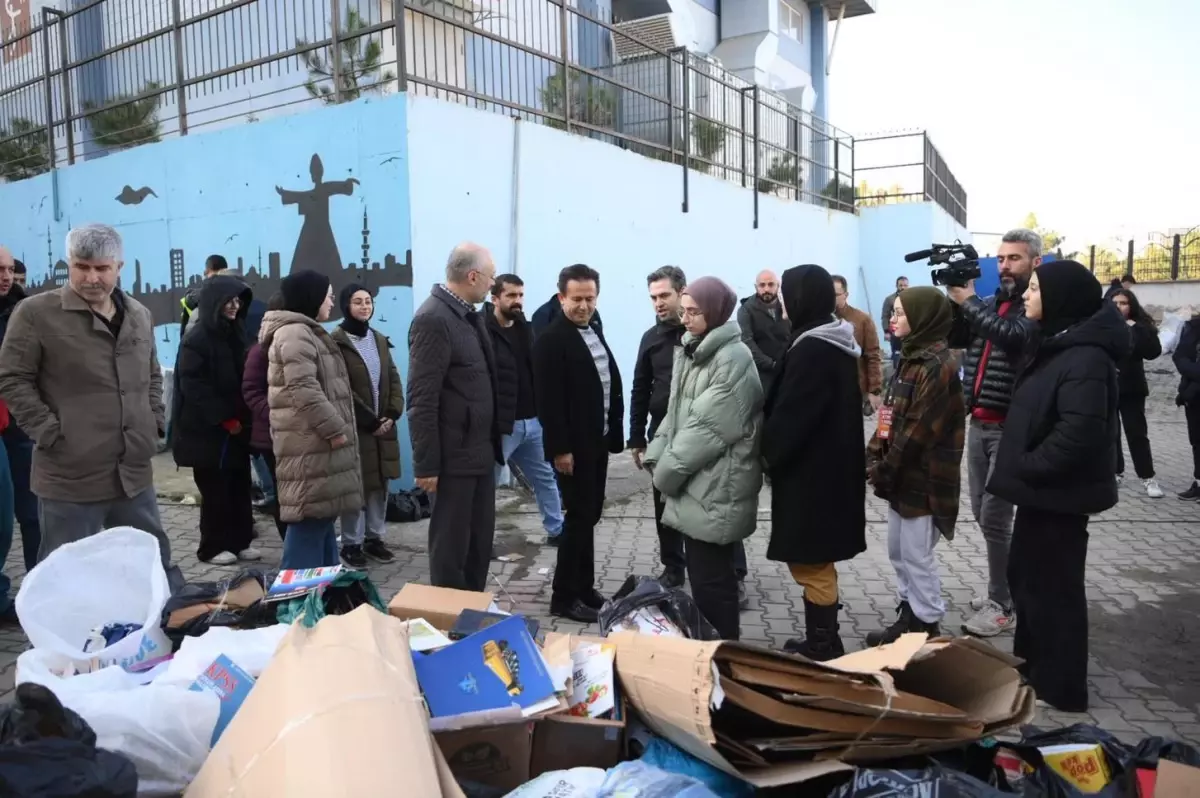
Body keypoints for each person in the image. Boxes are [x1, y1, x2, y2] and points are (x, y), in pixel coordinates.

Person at [987, 260, 1127, 713]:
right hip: (1041, 495)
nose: (1026, 296)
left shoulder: (1085, 355)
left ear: (1060, 298)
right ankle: (1033, 669)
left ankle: (1062, 686)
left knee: (1055, 591)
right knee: (1028, 581)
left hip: (1058, 496)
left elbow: (1079, 433)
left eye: (1034, 289)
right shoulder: (1059, 343)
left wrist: (1028, 465)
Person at [0, 224, 177, 577]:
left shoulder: (139, 315)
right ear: (69, 264)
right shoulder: (36, 313)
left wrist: (153, 419)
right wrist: (50, 432)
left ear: (119, 267)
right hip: (70, 474)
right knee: (66, 574)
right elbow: (12, 377)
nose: (91, 278)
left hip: (133, 471)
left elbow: (153, 374)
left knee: (151, 563)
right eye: (82, 267)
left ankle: (162, 628)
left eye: (101, 268)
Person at [644, 277, 762, 640]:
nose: (686, 318)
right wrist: (655, 452)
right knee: (706, 578)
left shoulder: (731, 358)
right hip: (701, 484)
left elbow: (704, 430)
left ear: (715, 312)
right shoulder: (696, 348)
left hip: (716, 485)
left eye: (694, 312)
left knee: (713, 583)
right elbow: (676, 412)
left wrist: (664, 475)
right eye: (685, 311)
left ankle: (723, 655)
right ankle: (713, 651)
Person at [762, 264, 866, 661]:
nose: (783, 301)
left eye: (788, 293)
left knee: (812, 562)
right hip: (826, 472)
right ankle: (820, 639)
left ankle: (824, 645)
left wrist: (768, 452)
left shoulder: (814, 348)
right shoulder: (827, 339)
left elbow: (794, 415)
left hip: (814, 477)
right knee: (813, 560)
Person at [945, 228, 1041, 638]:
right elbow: (957, 339)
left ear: (1034, 262)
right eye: (1000, 259)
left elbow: (1014, 339)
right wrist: (957, 303)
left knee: (996, 518)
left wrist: (969, 303)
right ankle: (1003, 589)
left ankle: (1003, 605)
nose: (1004, 266)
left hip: (1009, 428)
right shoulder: (990, 305)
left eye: (1014, 259)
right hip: (978, 424)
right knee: (983, 513)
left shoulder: (1033, 310)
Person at [865, 287, 965, 645]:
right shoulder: (909, 358)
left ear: (923, 319)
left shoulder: (938, 367)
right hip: (900, 477)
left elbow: (917, 432)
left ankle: (926, 625)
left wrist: (882, 468)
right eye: (892, 312)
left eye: (900, 314)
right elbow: (888, 417)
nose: (892, 320)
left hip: (924, 481)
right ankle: (909, 613)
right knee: (898, 551)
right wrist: (873, 454)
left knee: (917, 555)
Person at [408, 243, 502, 591]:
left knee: (478, 546)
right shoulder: (433, 318)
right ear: (473, 275)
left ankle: (471, 616)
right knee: (451, 550)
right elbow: (421, 398)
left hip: (478, 452)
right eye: (491, 277)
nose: (493, 285)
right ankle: (447, 625)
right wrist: (426, 465)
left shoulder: (467, 315)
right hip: (452, 459)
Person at [534, 264, 624, 624]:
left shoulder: (592, 329)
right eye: (576, 299)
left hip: (596, 442)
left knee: (589, 517)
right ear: (561, 298)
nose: (584, 306)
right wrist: (560, 449)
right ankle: (564, 597)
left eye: (590, 298)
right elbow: (550, 401)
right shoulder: (552, 340)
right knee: (577, 521)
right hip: (573, 449)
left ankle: (584, 588)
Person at [261, 270, 362, 569]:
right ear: (311, 298)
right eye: (327, 294)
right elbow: (302, 388)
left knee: (322, 523)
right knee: (308, 526)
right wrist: (335, 429)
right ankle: (294, 604)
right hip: (310, 448)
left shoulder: (307, 331)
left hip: (318, 448)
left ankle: (325, 598)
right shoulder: (294, 333)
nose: (331, 300)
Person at [172, 274, 261, 564]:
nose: (235, 306)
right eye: (229, 301)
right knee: (215, 492)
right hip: (207, 433)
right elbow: (193, 387)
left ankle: (240, 541)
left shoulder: (236, 333)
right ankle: (211, 547)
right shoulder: (196, 339)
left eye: (238, 301)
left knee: (239, 485)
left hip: (237, 430)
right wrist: (224, 418)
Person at [484, 274, 564, 544]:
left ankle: (557, 531)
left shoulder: (525, 328)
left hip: (533, 422)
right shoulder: (482, 330)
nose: (517, 301)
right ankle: (482, 541)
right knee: (487, 486)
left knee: (545, 478)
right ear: (495, 298)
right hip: (504, 424)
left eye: (520, 295)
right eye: (511, 296)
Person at [331, 283, 402, 567]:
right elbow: (341, 388)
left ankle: (375, 538)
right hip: (356, 428)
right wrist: (369, 420)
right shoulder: (336, 342)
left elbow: (393, 378)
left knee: (378, 485)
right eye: (358, 301)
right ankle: (351, 544)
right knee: (355, 488)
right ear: (346, 306)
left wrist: (392, 413)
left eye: (368, 301)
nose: (364, 306)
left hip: (382, 427)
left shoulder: (379, 339)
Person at [0, 250, 39, 577]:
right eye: (0, 269)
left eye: (10, 269)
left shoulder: (23, 311)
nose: (6, 276)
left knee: (34, 512)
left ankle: (42, 587)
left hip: (20, 423)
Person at [242, 292, 288, 539]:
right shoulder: (261, 350)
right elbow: (251, 390)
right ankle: (290, 546)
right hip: (270, 434)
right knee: (283, 495)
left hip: (290, 432)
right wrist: (276, 414)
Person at [1109, 288, 1164, 497]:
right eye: (1115, 303)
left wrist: (1135, 329)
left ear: (1131, 306)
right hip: (1107, 386)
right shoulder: (1103, 326)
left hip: (1132, 388)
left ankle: (1148, 477)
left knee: (1137, 434)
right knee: (1111, 433)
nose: (1119, 307)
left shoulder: (1139, 327)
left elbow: (1153, 352)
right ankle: (1115, 472)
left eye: (1123, 303)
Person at [832, 274, 884, 414]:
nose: (831, 298)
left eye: (835, 294)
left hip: (853, 389)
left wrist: (874, 390)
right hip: (827, 390)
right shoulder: (821, 320)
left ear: (846, 295)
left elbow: (873, 355)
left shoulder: (862, 320)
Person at [736, 270, 790, 396]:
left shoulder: (787, 308)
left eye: (771, 284)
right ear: (756, 287)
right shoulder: (746, 310)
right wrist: (771, 365)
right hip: (760, 377)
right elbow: (747, 342)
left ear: (778, 286)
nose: (766, 289)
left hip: (788, 373)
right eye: (762, 285)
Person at [1175, 312, 1200, 501]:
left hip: (1192, 388)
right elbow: (1180, 356)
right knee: (1197, 441)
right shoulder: (1193, 327)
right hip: (1193, 395)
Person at [881, 275, 909, 369]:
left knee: (909, 356)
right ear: (896, 286)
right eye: (901, 285)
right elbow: (885, 316)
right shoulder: (890, 299)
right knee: (896, 355)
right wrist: (886, 332)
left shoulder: (912, 299)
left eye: (905, 285)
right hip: (895, 332)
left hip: (910, 332)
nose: (903, 287)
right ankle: (896, 377)